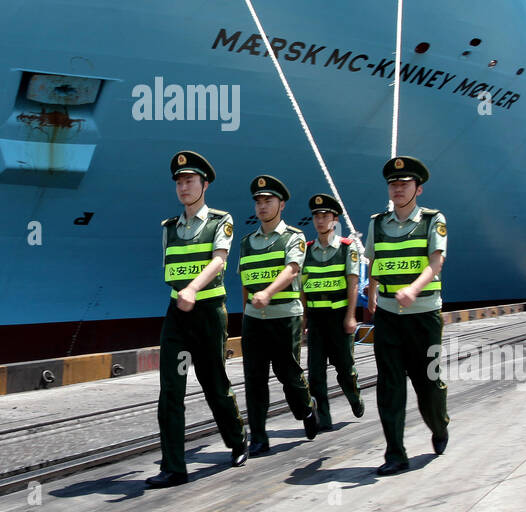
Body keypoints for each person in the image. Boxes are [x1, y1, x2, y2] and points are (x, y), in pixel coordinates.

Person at [147, 150, 249, 488]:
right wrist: (182, 293)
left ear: (204, 184)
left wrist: (192, 288)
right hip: (177, 317)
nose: (183, 186)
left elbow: (219, 261)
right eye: (179, 181)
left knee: (213, 382)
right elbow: (169, 269)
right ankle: (174, 467)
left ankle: (237, 440)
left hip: (207, 314)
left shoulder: (222, 221)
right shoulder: (169, 228)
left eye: (189, 180)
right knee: (171, 391)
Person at [365, 156, 449, 476]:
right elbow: (374, 263)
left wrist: (413, 289)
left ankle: (439, 426)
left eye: (404, 183)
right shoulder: (377, 223)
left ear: (419, 188)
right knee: (389, 386)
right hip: (388, 316)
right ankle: (395, 454)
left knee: (429, 384)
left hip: (424, 316)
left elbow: (435, 263)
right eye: (393, 184)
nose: (397, 189)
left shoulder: (432, 221)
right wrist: (371, 297)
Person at [237, 174, 319, 455]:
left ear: (281, 204)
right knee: (254, 378)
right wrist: (245, 312)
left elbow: (292, 269)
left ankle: (306, 408)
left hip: (284, 317)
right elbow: (246, 283)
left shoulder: (293, 237)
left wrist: (268, 293)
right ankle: (259, 437)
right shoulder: (247, 242)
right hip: (254, 321)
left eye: (268, 201)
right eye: (258, 201)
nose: (262, 206)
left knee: (289, 374)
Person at [300, 194, 365, 430]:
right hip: (317, 321)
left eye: (325, 216)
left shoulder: (347, 249)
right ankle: (323, 419)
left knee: (345, 368)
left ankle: (354, 396)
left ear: (334, 219)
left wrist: (350, 316)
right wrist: (304, 318)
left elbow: (353, 283)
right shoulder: (306, 250)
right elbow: (303, 287)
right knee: (315, 373)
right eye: (317, 216)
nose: (320, 220)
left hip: (339, 319)